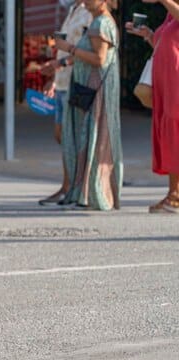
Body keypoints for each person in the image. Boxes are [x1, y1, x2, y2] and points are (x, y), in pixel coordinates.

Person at [55, 0, 122, 210]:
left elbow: (99, 59)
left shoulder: (100, 23)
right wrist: (64, 61)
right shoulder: (100, 21)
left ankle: (92, 192)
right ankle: (89, 191)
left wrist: (69, 48)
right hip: (97, 89)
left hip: (95, 90)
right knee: (94, 138)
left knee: (92, 138)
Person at [38, 0, 92, 205]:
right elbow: (63, 48)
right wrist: (53, 78)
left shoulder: (90, 13)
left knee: (73, 137)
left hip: (75, 81)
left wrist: (59, 64)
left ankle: (74, 187)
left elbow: (87, 51)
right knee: (61, 135)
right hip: (62, 82)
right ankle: (69, 185)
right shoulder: (72, 10)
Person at [129, 0, 179, 213]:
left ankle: (175, 196)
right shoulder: (170, 16)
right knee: (169, 137)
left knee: (175, 136)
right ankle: (173, 194)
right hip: (166, 85)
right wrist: (149, 35)